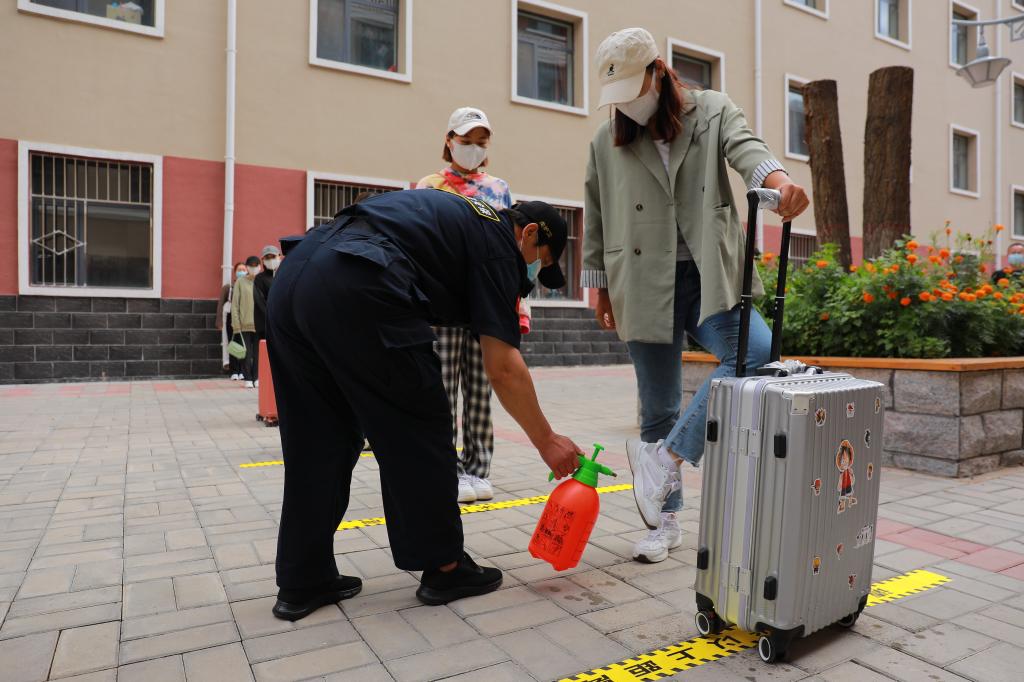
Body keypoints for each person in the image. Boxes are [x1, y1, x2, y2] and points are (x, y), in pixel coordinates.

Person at [265, 188, 581, 620]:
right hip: (360, 279)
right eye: (539, 262)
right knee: (421, 422)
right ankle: (446, 567)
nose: (530, 275)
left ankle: (304, 579)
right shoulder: (496, 243)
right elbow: (503, 366)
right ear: (528, 235)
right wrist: (547, 440)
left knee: (320, 438)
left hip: (294, 277)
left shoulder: (464, 217)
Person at [583, 28, 809, 563]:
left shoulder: (711, 110)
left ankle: (665, 459)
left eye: (634, 93)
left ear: (658, 73)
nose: (628, 109)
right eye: (618, 100)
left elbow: (748, 149)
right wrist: (599, 288)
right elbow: (594, 214)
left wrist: (779, 185)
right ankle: (665, 523)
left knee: (754, 352)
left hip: (710, 274)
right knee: (656, 404)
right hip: (640, 279)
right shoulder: (604, 141)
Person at [416, 107, 516, 504]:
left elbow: (510, 249)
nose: (473, 149)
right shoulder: (429, 186)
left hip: (486, 302)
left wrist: (515, 308)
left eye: (480, 142)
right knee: (442, 390)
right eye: (465, 141)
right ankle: (447, 468)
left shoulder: (499, 189)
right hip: (442, 301)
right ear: (448, 141)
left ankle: (478, 468)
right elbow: (418, 244)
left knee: (479, 387)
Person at [252, 245, 282, 387]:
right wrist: (272, 315)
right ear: (263, 260)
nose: (271, 260)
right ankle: (257, 377)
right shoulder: (259, 279)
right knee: (262, 351)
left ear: (279, 257)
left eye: (273, 257)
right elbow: (259, 300)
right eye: (267, 258)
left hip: (281, 323)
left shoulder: (283, 274)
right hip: (264, 322)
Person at [231, 256, 261, 388]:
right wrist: (236, 325)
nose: (254, 268)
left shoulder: (262, 281)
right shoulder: (240, 282)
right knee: (246, 353)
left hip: (260, 325)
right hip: (244, 324)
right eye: (251, 265)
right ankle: (248, 378)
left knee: (258, 354)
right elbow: (235, 305)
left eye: (256, 265)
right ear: (248, 267)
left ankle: (256, 377)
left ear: (260, 266)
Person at [217, 262, 246, 380]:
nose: (242, 271)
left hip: (244, 318)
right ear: (235, 272)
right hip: (230, 317)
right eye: (240, 269)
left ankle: (243, 371)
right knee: (232, 342)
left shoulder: (249, 285)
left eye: (244, 269)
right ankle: (234, 370)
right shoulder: (228, 287)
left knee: (244, 343)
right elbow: (220, 304)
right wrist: (219, 321)